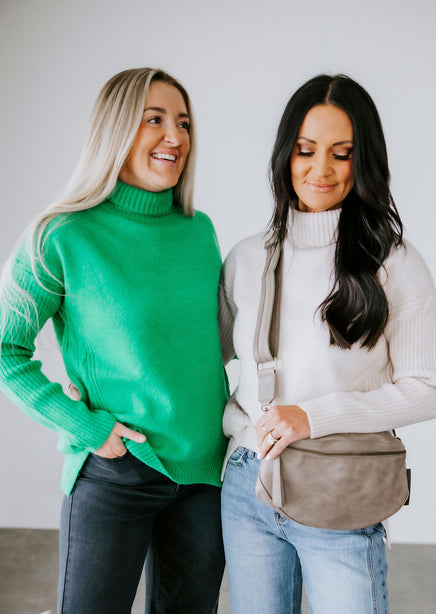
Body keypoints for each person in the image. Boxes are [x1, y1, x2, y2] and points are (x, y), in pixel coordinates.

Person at [0, 67, 228, 614]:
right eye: (155, 119)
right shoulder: (62, 234)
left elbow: (209, 342)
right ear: (116, 129)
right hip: (116, 469)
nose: (175, 136)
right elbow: (6, 350)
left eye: (183, 122)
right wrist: (86, 427)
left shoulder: (198, 230)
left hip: (204, 475)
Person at [218, 74, 436, 614]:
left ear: (365, 162)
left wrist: (310, 417)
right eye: (305, 150)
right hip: (247, 484)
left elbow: (428, 386)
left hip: (341, 486)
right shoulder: (246, 258)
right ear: (284, 156)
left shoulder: (394, 262)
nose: (321, 169)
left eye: (342, 154)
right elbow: (203, 362)